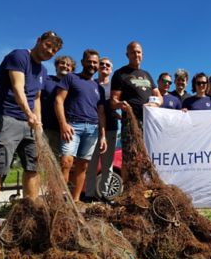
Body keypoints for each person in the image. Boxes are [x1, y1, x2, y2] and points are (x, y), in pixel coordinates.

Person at [0, 31, 63, 228]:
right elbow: (18, 88)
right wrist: (29, 115)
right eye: (48, 45)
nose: (50, 51)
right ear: (38, 41)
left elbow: (36, 98)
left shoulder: (43, 71)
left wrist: (39, 123)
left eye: (54, 50)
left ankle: (30, 210)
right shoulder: (19, 56)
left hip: (30, 123)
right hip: (7, 117)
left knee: (33, 165)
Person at [55, 49, 107, 202]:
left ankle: (76, 200)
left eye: (95, 62)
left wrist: (103, 136)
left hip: (92, 129)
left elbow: (101, 113)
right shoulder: (71, 78)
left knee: (83, 166)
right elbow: (58, 100)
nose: (92, 64)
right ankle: (60, 201)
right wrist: (63, 124)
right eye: (89, 61)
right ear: (83, 62)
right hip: (72, 127)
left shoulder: (99, 88)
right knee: (66, 162)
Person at [110, 41, 162, 182]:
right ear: (127, 55)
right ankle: (129, 190)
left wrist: (155, 104)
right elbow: (113, 100)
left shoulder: (147, 75)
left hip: (149, 123)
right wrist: (120, 104)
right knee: (129, 157)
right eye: (133, 52)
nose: (136, 54)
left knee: (147, 156)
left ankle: (145, 186)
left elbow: (159, 97)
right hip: (131, 122)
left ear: (142, 54)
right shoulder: (120, 74)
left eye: (138, 52)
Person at [85, 57, 119, 201]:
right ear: (98, 67)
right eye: (102, 64)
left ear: (111, 69)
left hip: (110, 128)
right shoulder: (91, 84)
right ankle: (89, 195)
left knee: (107, 164)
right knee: (91, 164)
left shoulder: (114, 86)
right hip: (92, 128)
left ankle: (105, 195)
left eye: (108, 65)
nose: (104, 66)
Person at [41, 55, 76, 158]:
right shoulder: (46, 80)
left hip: (64, 130)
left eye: (68, 65)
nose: (65, 66)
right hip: (45, 127)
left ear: (72, 70)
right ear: (56, 66)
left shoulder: (73, 86)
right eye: (62, 63)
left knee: (59, 162)